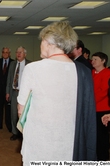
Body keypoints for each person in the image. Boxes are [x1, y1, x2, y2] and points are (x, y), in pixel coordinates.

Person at [17, 21, 96, 164]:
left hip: (40, 142)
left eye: (42, 41)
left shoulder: (33, 69)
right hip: (71, 143)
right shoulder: (83, 71)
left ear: (48, 42)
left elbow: (21, 111)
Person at [91, 51, 110, 160]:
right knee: (94, 137)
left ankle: (103, 159)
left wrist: (89, 101)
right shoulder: (91, 73)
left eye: (95, 59)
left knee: (102, 138)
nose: (93, 61)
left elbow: (104, 91)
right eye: (92, 59)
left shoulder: (108, 73)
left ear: (103, 61)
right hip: (93, 109)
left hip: (103, 110)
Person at [5, 46, 31, 140]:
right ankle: (15, 132)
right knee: (14, 114)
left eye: (20, 52)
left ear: (25, 54)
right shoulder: (12, 64)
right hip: (14, 92)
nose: (18, 54)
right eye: (17, 52)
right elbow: (9, 79)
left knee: (25, 113)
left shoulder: (30, 64)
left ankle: (24, 133)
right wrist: (7, 92)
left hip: (25, 93)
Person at [0, 47, 13, 132]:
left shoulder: (13, 63)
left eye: (7, 52)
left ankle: (9, 125)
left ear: (9, 54)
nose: (5, 54)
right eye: (3, 52)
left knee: (8, 109)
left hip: (8, 90)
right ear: (2, 53)